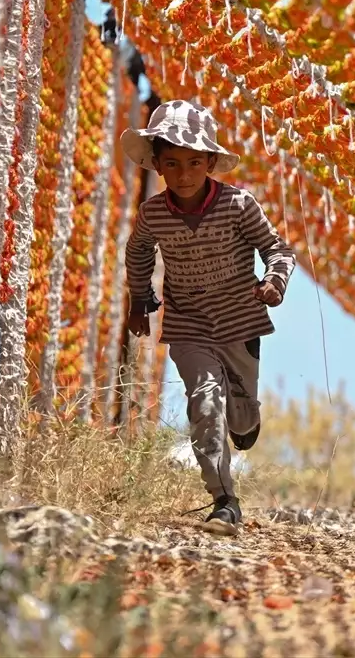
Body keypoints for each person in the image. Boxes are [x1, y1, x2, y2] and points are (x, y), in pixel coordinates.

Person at [121, 100, 296, 532]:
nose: (184, 175)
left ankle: (247, 420)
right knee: (204, 402)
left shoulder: (239, 205)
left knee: (240, 414)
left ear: (211, 162)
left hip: (240, 321)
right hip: (189, 324)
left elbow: (277, 249)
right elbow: (138, 251)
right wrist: (139, 298)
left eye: (194, 163)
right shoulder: (154, 214)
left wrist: (274, 282)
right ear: (158, 166)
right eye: (173, 164)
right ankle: (224, 499)